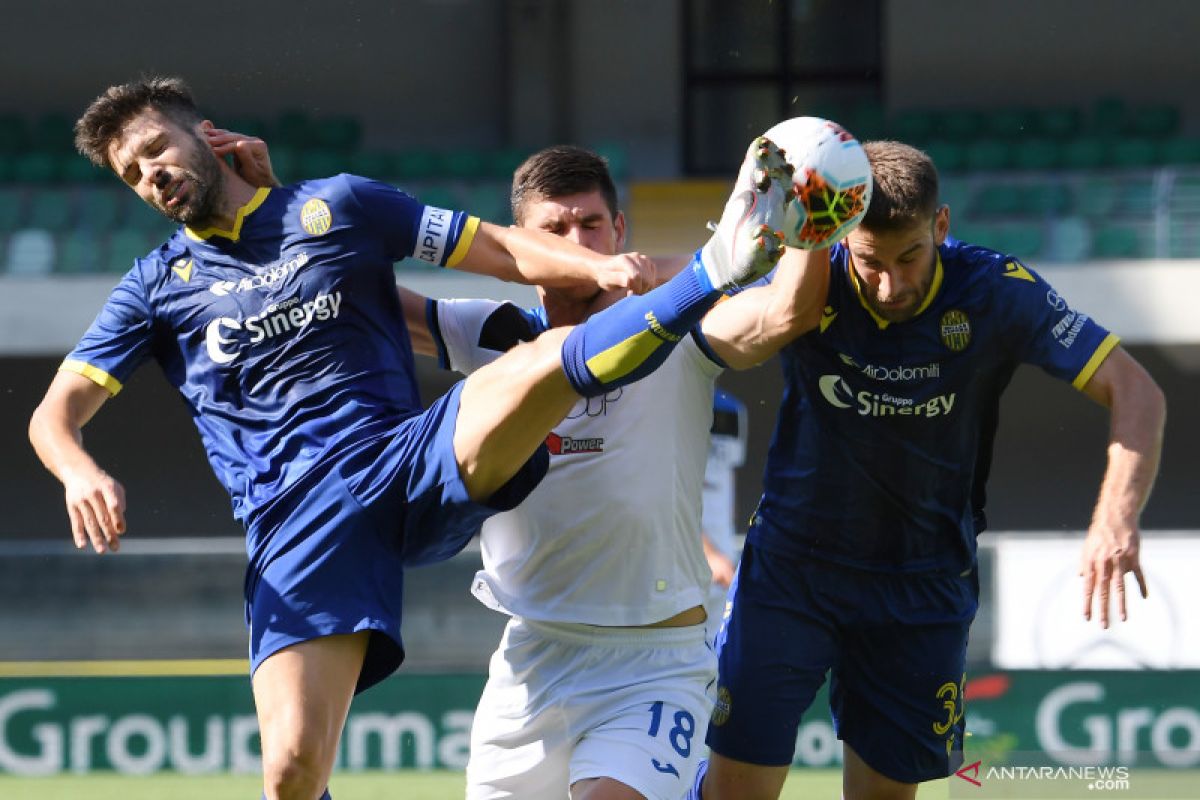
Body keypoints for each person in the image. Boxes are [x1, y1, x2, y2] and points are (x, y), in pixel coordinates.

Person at [26, 77, 794, 800]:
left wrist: (661, 272)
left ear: (206, 134)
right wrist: (76, 469)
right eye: (131, 172)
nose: (150, 173)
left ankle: (714, 267)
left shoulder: (339, 207)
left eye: (157, 147)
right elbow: (52, 415)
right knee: (292, 770)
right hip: (298, 523)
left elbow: (499, 249)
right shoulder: (154, 287)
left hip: (407, 460)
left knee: (525, 366)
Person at [691, 140, 1167, 800]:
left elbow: (1136, 387)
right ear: (843, 241)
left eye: (908, 257)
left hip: (924, 586)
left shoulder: (997, 291)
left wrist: (1117, 515)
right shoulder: (812, 278)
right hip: (791, 575)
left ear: (940, 227)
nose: (888, 284)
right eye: (869, 262)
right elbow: (721, 330)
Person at [410, 146, 827, 800]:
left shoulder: (683, 329)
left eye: (593, 226)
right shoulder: (489, 334)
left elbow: (784, 312)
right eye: (554, 231)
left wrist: (814, 223)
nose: (579, 242)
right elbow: (354, 297)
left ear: (621, 231)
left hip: (653, 666)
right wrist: (278, 215)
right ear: (520, 244)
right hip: (530, 663)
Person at [700, 389, 747, 644]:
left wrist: (724, 552)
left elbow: (728, 479)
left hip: (723, 567)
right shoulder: (665, 406)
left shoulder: (733, 408)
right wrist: (707, 552)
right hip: (684, 560)